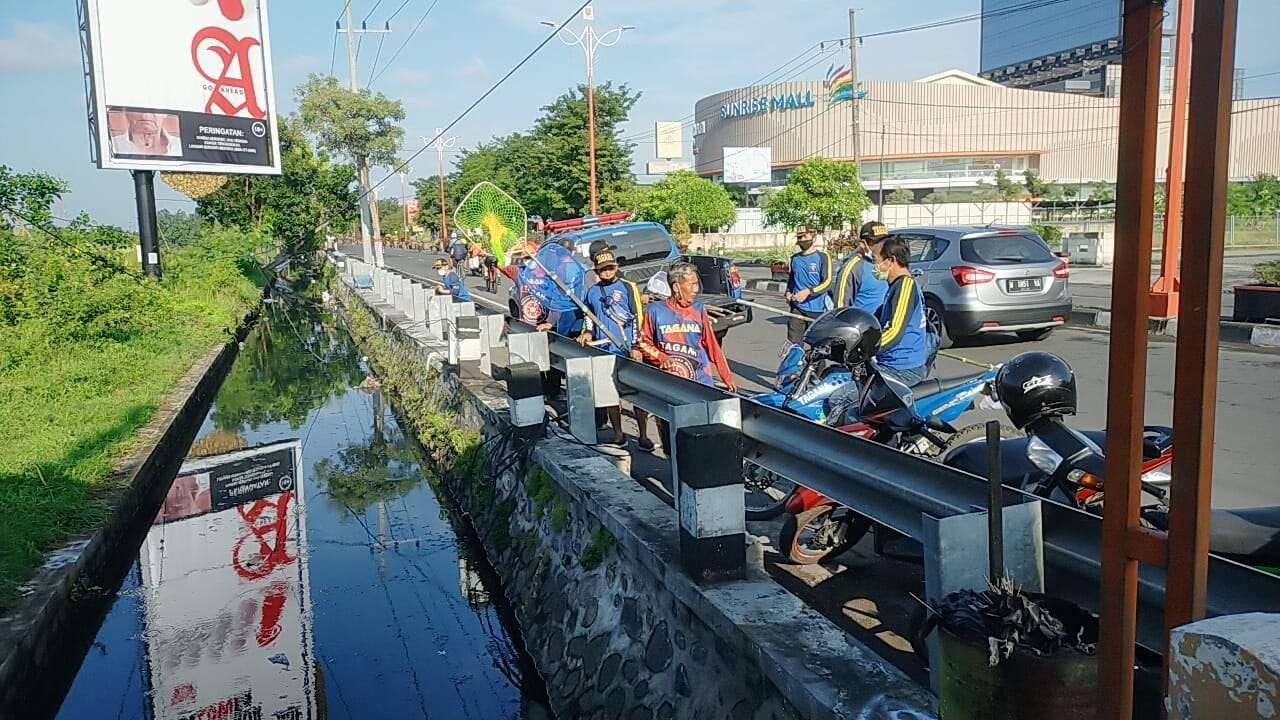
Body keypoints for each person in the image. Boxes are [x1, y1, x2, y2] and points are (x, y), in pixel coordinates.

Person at [635, 263, 737, 451]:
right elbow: (642, 343)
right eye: (691, 285)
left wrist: (726, 376)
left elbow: (712, 345)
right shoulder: (655, 311)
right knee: (674, 442)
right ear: (676, 287)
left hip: (700, 382)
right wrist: (662, 358)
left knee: (703, 438)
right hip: (670, 386)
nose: (695, 290)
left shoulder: (698, 309)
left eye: (696, 284)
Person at [579, 246, 645, 446]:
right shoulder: (592, 292)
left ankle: (643, 435)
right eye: (602, 269)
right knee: (609, 393)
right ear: (597, 271)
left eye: (610, 268)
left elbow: (636, 317)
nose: (607, 272)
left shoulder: (627, 287)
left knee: (636, 394)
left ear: (616, 267)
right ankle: (618, 433)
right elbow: (588, 316)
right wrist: (588, 332)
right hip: (603, 348)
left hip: (626, 348)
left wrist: (635, 346)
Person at [872, 235, 933, 386]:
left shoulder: (905, 286)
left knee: (840, 398)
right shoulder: (895, 286)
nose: (873, 266)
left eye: (875, 260)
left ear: (891, 261)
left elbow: (894, 332)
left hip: (901, 369)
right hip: (890, 364)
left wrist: (864, 348)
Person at [784, 225, 833, 345]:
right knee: (793, 345)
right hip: (797, 308)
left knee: (817, 347)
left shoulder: (822, 257)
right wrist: (788, 292)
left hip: (817, 309)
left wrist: (808, 292)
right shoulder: (795, 259)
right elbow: (792, 280)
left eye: (804, 236)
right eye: (799, 237)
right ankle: (795, 363)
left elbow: (827, 282)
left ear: (813, 237)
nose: (801, 240)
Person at [834, 221, 891, 313]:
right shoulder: (852, 267)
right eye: (876, 242)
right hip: (863, 325)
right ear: (863, 244)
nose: (881, 246)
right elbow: (840, 309)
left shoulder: (889, 261)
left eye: (884, 241)